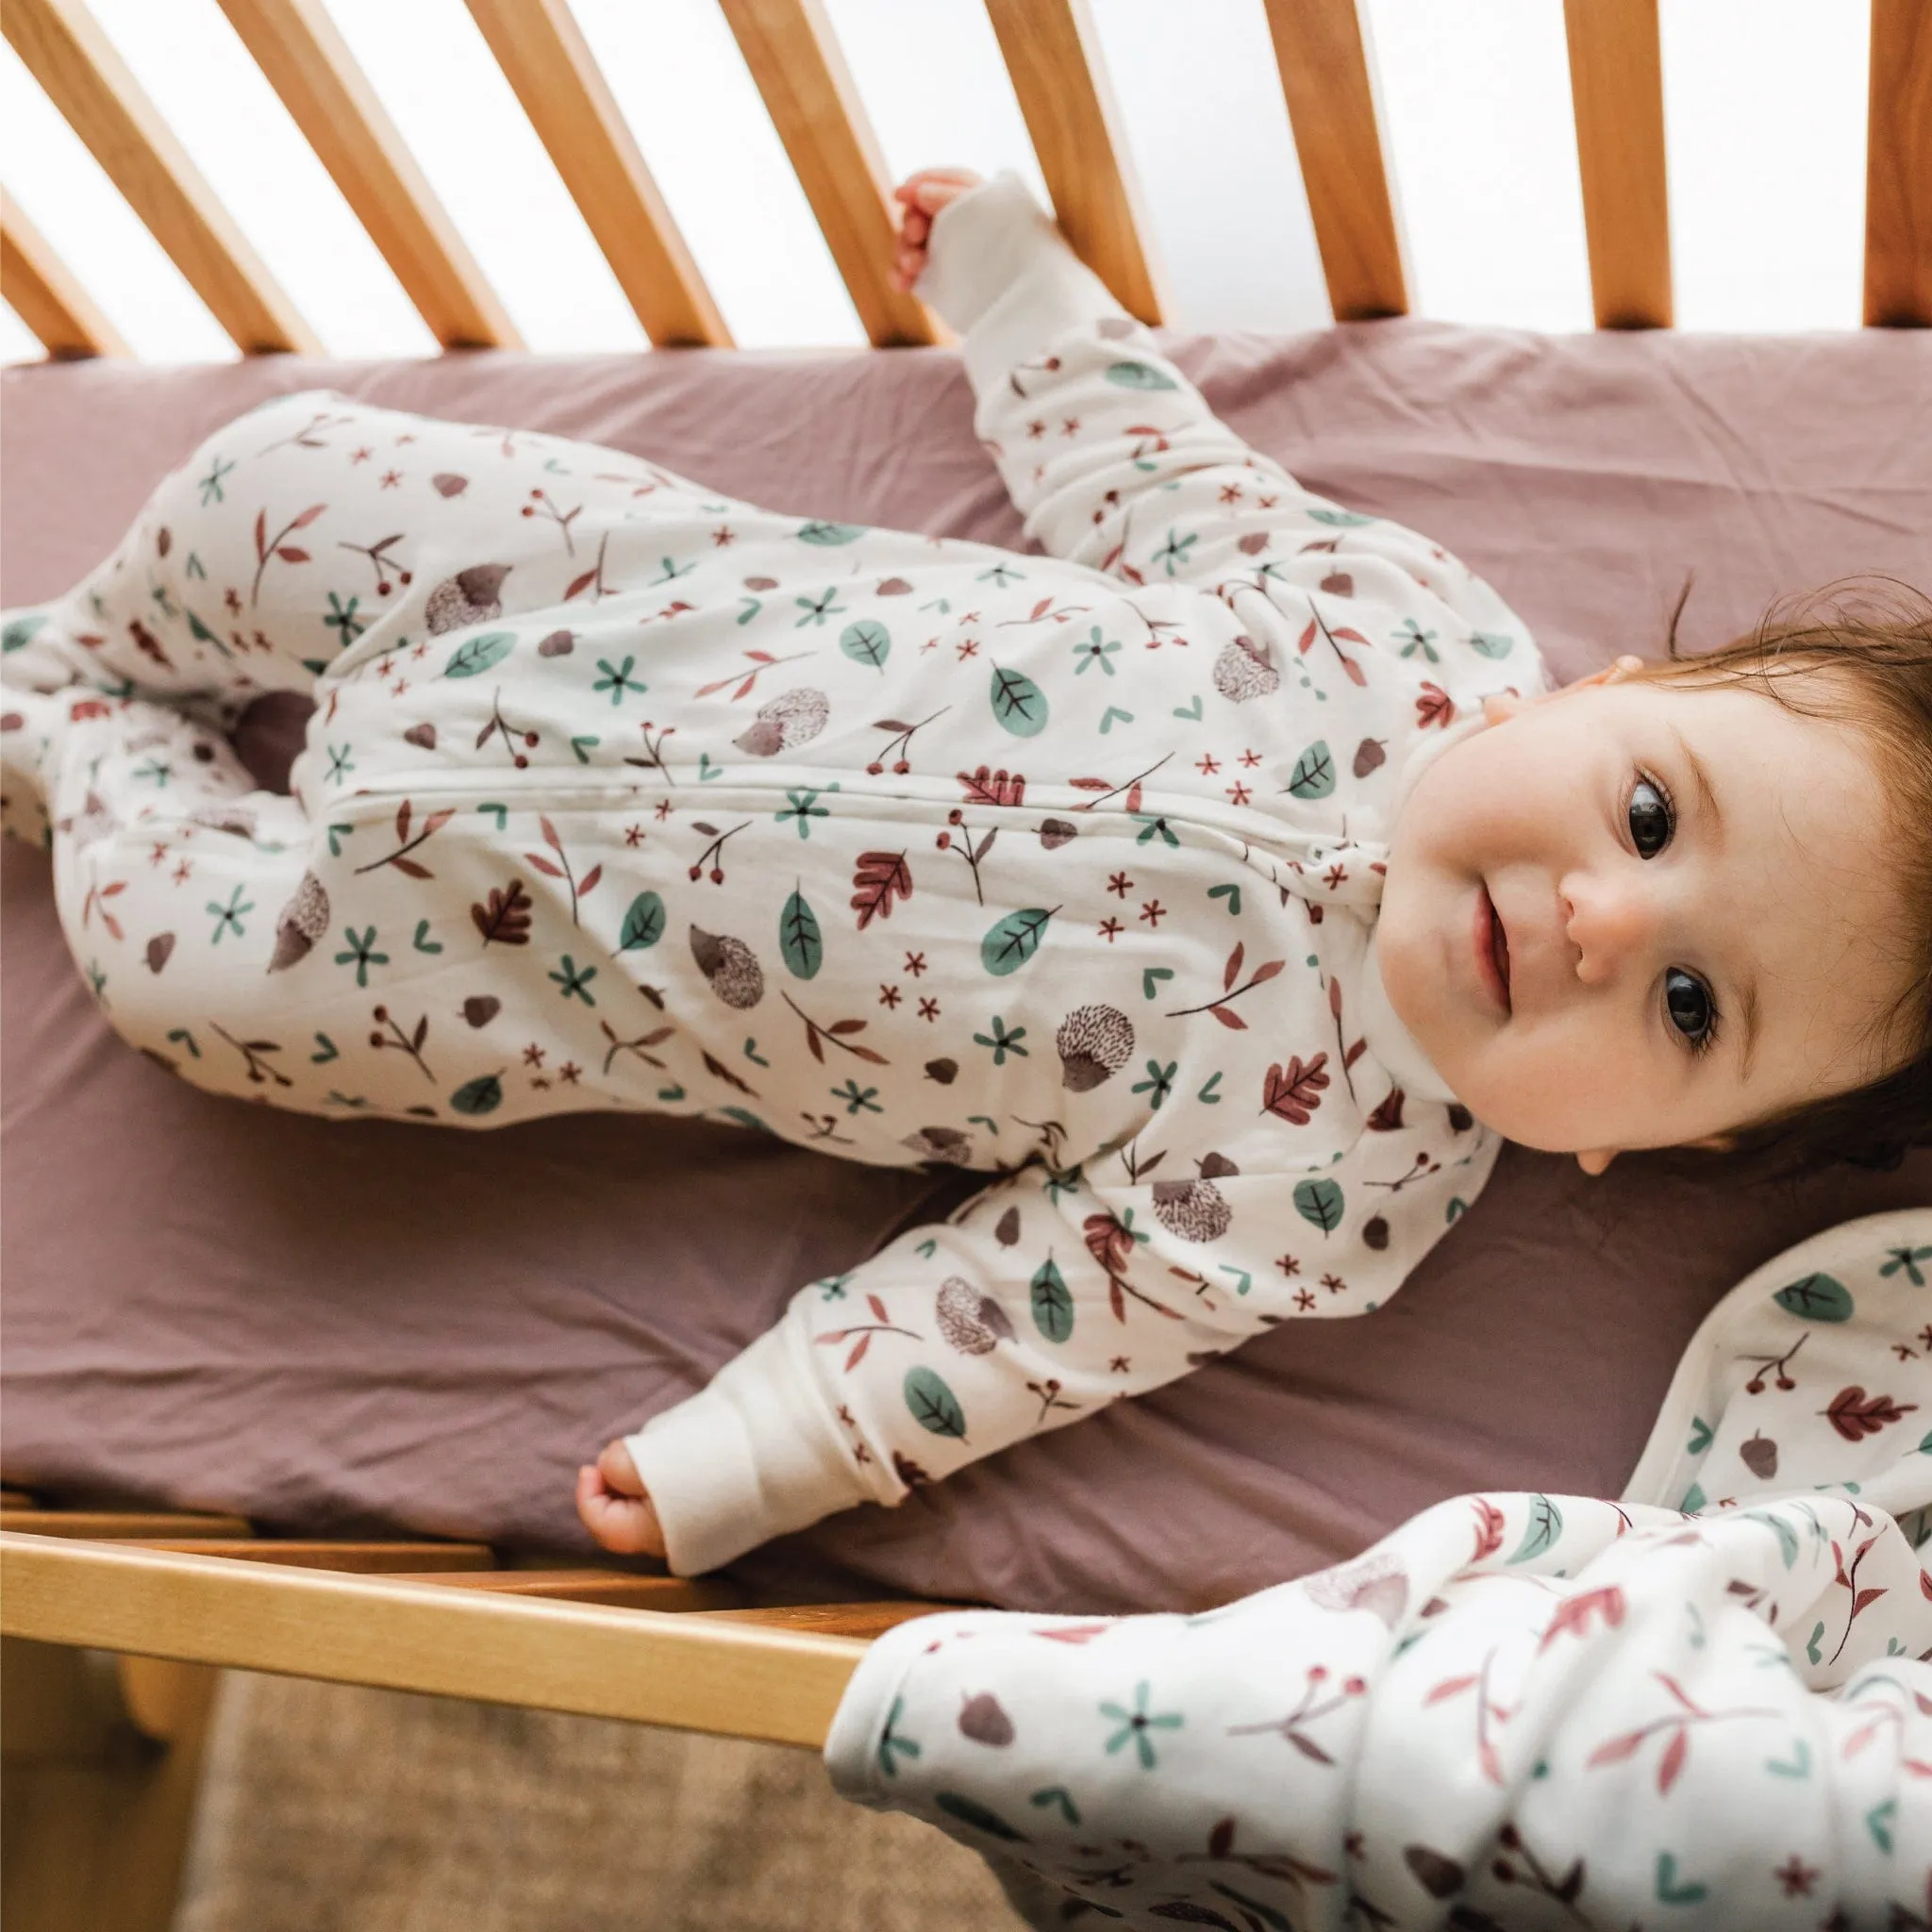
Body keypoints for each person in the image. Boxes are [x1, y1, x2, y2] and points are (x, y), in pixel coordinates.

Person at [2, 171, 1924, 1576]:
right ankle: (99, 629)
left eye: (1689, 1005)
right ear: (1618, 688)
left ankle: (70, 742)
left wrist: (755, 1451)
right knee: (276, 480)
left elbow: (1011, 1320)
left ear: (1636, 1148)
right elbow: (1149, 475)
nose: (1605, 916)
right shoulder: (1406, 630)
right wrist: (1014, 291)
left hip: (481, 968)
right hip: (570, 592)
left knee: (199, 989)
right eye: (1654, 814)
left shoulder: (1327, 1184)